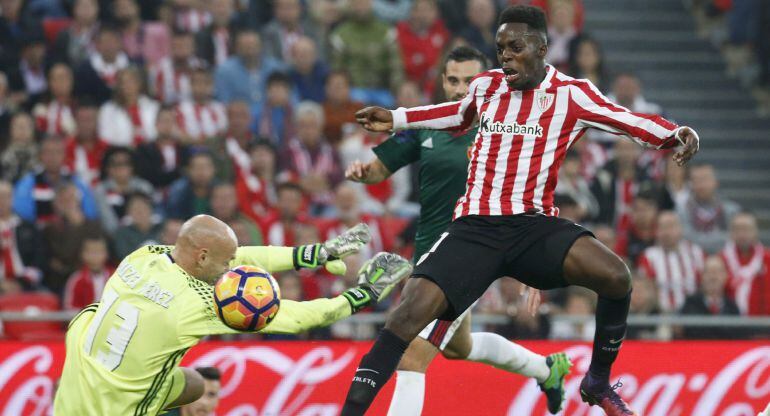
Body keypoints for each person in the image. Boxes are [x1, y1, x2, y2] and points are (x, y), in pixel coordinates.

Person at [341, 6, 700, 415]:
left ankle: (598, 381)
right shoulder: (486, 86)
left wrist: (673, 134)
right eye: (500, 48)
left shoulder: (571, 93)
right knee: (403, 321)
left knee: (615, 276)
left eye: (516, 47)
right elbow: (457, 115)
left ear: (542, 48)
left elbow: (624, 120)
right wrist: (397, 118)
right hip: (474, 228)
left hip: (532, 227)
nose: (506, 56)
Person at [346, 45, 570, 415]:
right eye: (452, 80)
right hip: (429, 257)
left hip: (470, 258)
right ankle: (545, 369)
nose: (460, 88)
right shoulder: (424, 126)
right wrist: (361, 172)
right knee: (457, 346)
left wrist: (535, 269)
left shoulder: (504, 127)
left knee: (412, 356)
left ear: (487, 81)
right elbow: (379, 170)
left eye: (469, 80)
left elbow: (533, 194)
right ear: (442, 81)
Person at [53, 215, 410, 415]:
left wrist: (312, 254)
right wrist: (361, 295)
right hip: (116, 408)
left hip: (77, 387)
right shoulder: (199, 305)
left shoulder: (142, 257)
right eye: (224, 262)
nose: (230, 269)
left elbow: (237, 256)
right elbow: (299, 318)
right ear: (203, 256)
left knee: (193, 383)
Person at [636, 211, 705, 313]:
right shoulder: (649, 256)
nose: (666, 232)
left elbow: (703, 285)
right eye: (662, 228)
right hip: (661, 315)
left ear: (680, 229)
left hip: (693, 314)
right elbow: (648, 289)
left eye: (670, 226)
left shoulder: (696, 253)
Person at [677, 164, 740, 254]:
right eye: (696, 180)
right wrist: (722, 238)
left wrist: (698, 240)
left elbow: (736, 237)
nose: (701, 185)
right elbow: (686, 237)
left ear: (716, 182)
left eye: (705, 179)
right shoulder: (681, 210)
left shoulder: (732, 210)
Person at [678, 255, 740, 339]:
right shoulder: (690, 303)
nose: (713, 277)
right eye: (709, 272)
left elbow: (736, 334)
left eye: (718, 272)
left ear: (726, 276)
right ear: (702, 277)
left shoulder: (732, 306)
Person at [721, 212, 770, 316]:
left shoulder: (767, 259)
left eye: (746, 229)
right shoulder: (721, 260)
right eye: (737, 229)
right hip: (729, 326)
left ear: (755, 232)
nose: (742, 234)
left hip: (765, 325)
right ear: (731, 233)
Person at [98, 66, 160, 147]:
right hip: (121, 153)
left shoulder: (154, 107)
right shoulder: (107, 110)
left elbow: (159, 133)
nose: (126, 85)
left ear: (139, 83)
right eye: (122, 82)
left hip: (150, 153)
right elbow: (105, 137)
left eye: (130, 81)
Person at [62, 236, 113, 310]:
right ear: (83, 254)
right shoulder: (76, 279)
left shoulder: (115, 276)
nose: (95, 256)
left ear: (106, 254)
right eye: (91, 252)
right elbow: (69, 307)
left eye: (99, 251)